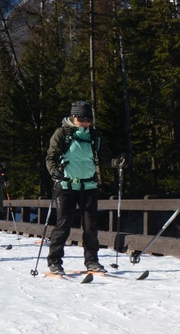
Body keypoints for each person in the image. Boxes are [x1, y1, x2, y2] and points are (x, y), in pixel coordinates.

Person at [44, 100, 111, 275]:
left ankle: (92, 261)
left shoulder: (94, 136)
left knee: (90, 226)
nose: (85, 122)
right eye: (81, 119)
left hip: (88, 185)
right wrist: (54, 171)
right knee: (63, 224)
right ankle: (54, 261)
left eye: (88, 119)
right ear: (74, 117)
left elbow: (105, 157)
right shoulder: (62, 133)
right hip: (66, 185)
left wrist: (116, 163)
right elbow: (51, 157)